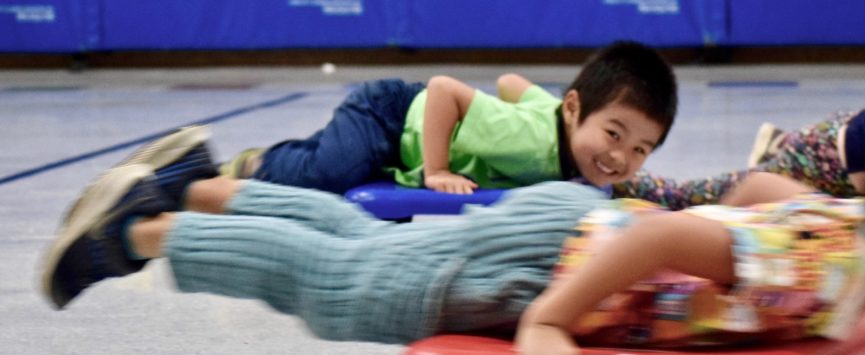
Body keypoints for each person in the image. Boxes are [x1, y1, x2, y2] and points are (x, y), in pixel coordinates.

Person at [41, 87, 865, 355]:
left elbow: (753, 193)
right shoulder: (830, 265)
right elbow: (670, 231)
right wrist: (544, 325)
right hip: (549, 271)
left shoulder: (844, 228)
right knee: (345, 286)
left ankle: (201, 186)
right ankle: (141, 228)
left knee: (358, 242)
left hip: (567, 231)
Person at [614, 0, 865, 209]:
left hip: (848, 156)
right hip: (831, 158)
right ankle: (609, 172)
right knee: (689, 201)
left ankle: (778, 148)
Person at [218, 40, 677, 195]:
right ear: (573, 108)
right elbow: (443, 89)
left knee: (333, 160)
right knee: (330, 174)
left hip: (405, 124)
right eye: (613, 134)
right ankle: (257, 163)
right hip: (389, 118)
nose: (621, 158)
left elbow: (510, 82)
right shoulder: (528, 138)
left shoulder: (561, 119)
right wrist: (437, 170)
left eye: (641, 149)